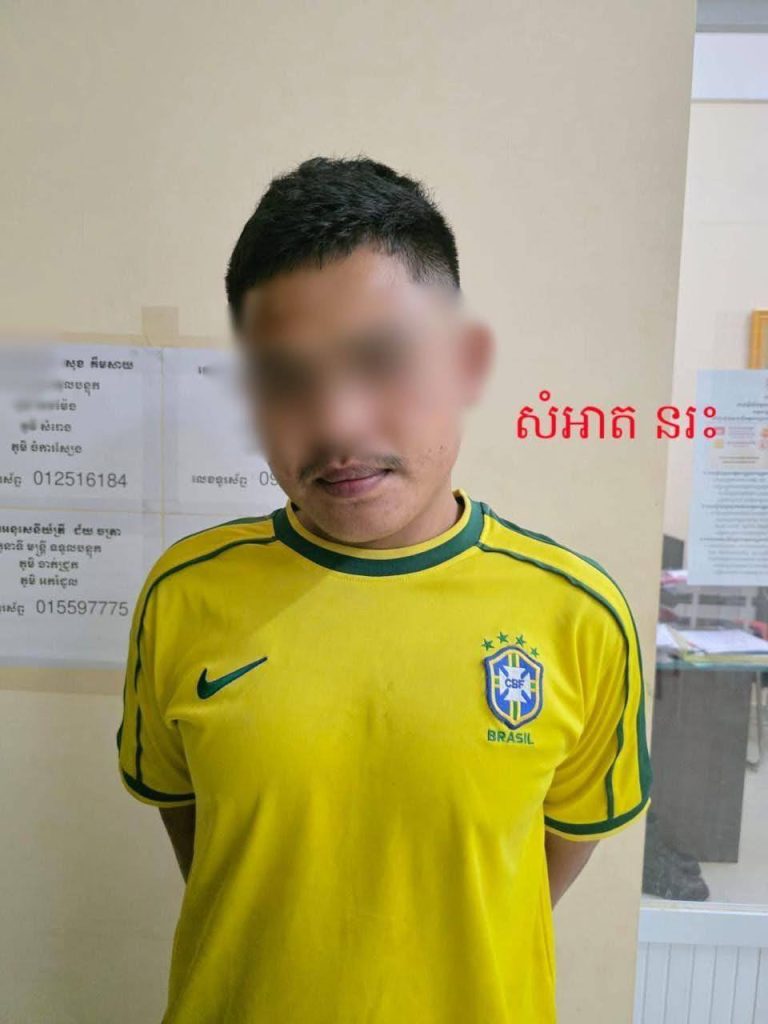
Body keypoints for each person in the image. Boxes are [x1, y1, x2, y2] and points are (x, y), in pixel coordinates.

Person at [116, 155, 652, 1023]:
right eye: (286, 379)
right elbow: (209, 848)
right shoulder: (184, 597)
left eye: (382, 362)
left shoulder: (578, 617)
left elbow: (540, 864)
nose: (338, 423)